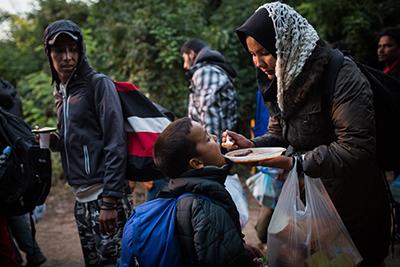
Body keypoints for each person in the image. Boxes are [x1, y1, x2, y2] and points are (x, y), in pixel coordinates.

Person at [222, 2, 391, 266]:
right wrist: (251, 145)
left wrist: (296, 163)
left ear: (287, 44)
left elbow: (356, 148)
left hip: (355, 203)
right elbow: (280, 134)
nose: (258, 63)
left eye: (264, 52)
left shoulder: (340, 74)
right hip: (311, 200)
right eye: (252, 55)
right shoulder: (281, 77)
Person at [43, 20, 131, 266]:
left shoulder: (98, 84)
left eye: (73, 49)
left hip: (105, 197)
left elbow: (116, 143)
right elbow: (82, 138)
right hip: (80, 199)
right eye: (59, 51)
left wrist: (110, 201)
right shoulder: (61, 91)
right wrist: (54, 141)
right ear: (49, 54)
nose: (67, 57)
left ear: (81, 51)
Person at [152, 117, 262, 267]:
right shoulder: (206, 207)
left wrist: (241, 249)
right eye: (208, 138)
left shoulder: (182, 189)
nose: (215, 137)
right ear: (197, 163)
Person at [0, 79, 46, 267]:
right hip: (17, 158)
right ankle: (33, 252)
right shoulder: (7, 88)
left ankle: (23, 256)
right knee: (15, 208)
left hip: (6, 159)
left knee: (8, 213)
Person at [180, 38, 237, 141]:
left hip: (212, 146)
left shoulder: (206, 72)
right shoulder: (211, 70)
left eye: (184, 59)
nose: (184, 65)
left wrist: (212, 147)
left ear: (191, 54)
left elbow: (209, 112)